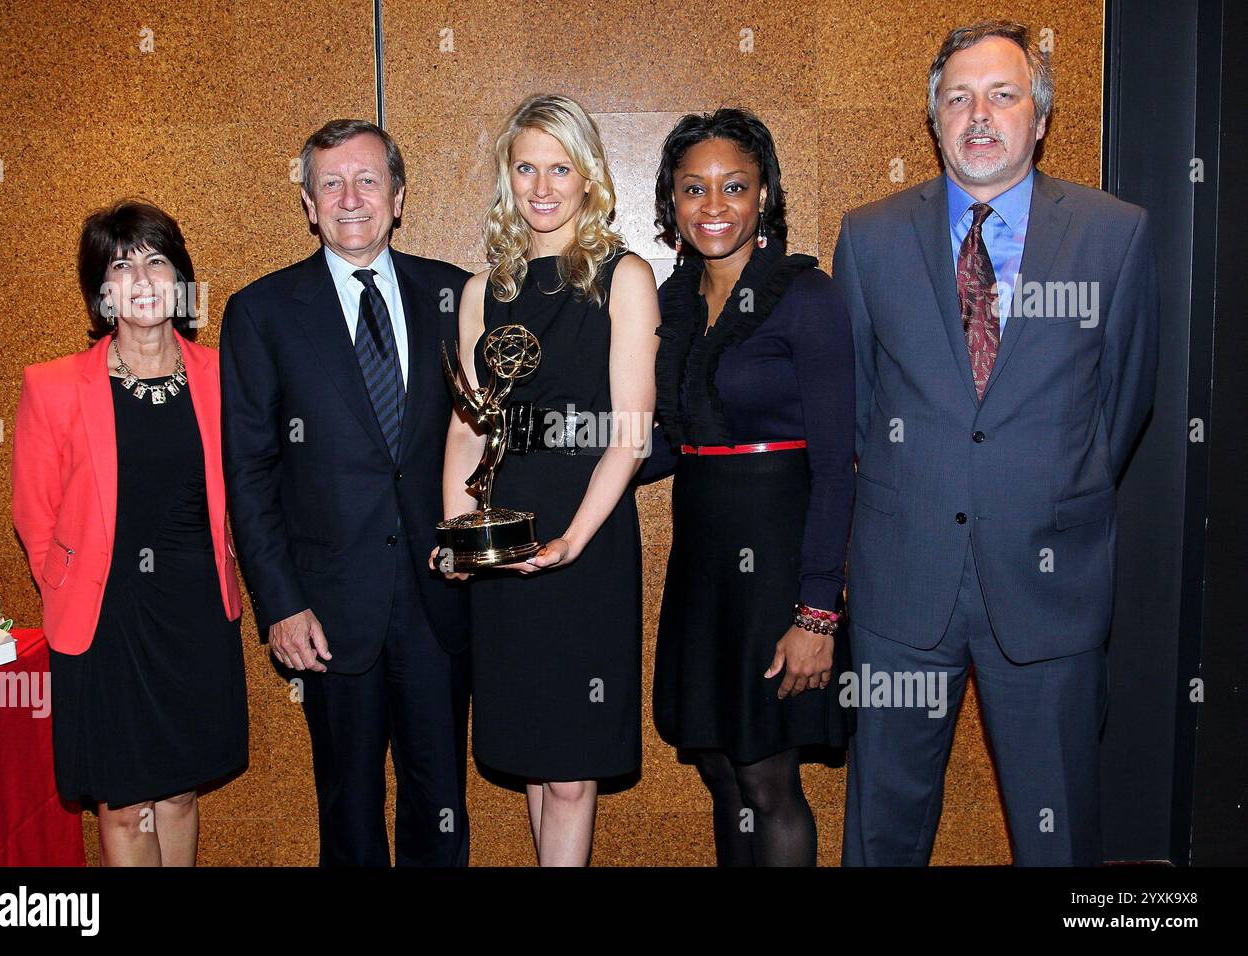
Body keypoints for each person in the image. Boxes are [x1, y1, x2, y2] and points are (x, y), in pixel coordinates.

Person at [835, 20, 1159, 866]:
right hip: (903, 587)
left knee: (1059, 831)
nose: (979, 115)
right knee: (882, 833)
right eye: (958, 98)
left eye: (1003, 95)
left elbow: (1120, 407)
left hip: (1052, 583)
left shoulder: (1112, 234)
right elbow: (859, 410)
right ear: (934, 118)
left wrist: (1040, 491)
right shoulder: (868, 237)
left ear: (1040, 118)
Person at [221, 120, 471, 867]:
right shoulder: (261, 312)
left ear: (399, 196)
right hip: (326, 610)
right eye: (330, 183)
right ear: (306, 202)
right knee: (348, 802)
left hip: (438, 599)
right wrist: (281, 604)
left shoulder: (456, 295)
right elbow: (249, 471)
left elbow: (487, 441)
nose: (350, 198)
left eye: (368, 180)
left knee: (442, 801)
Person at [435, 93, 658, 866]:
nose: (541, 185)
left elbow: (630, 435)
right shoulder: (480, 292)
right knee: (533, 757)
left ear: (589, 175)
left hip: (585, 528)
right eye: (526, 166)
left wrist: (572, 539)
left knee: (568, 773)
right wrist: (458, 538)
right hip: (503, 528)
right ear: (506, 177)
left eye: (559, 167)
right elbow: (467, 425)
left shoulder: (623, 277)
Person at [640, 109, 856, 867]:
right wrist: (555, 466)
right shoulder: (668, 303)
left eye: (734, 186)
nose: (714, 205)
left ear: (763, 194)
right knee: (719, 768)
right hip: (703, 559)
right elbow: (667, 443)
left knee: (768, 778)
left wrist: (817, 613)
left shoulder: (805, 295)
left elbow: (837, 466)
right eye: (694, 189)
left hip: (778, 563)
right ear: (671, 201)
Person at [11, 200, 246, 866]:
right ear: (100, 292)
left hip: (195, 612)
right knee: (123, 806)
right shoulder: (52, 387)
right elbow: (34, 514)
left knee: (176, 797)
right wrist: (70, 593)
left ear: (181, 279)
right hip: (105, 621)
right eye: (120, 265)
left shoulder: (222, 375)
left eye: (156, 261)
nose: (141, 280)